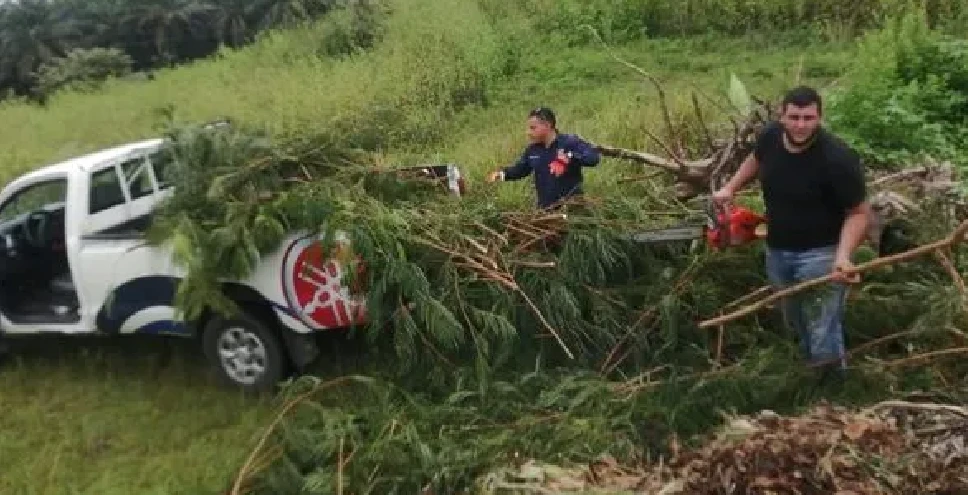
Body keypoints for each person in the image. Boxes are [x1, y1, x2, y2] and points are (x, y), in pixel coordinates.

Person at [712, 86, 870, 382]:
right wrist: (730, 188)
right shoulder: (771, 137)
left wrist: (843, 258)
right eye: (794, 117)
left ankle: (834, 395)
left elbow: (859, 213)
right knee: (794, 321)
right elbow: (755, 160)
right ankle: (804, 382)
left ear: (819, 118)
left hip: (821, 254)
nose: (800, 125)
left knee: (823, 328)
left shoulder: (837, 159)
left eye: (808, 118)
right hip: (778, 250)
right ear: (781, 117)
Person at [487, 107, 601, 209]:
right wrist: (502, 174)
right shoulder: (532, 150)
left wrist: (569, 157)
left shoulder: (570, 142)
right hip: (545, 211)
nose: (528, 132)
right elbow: (521, 169)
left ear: (547, 125)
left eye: (533, 128)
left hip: (572, 209)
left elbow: (593, 158)